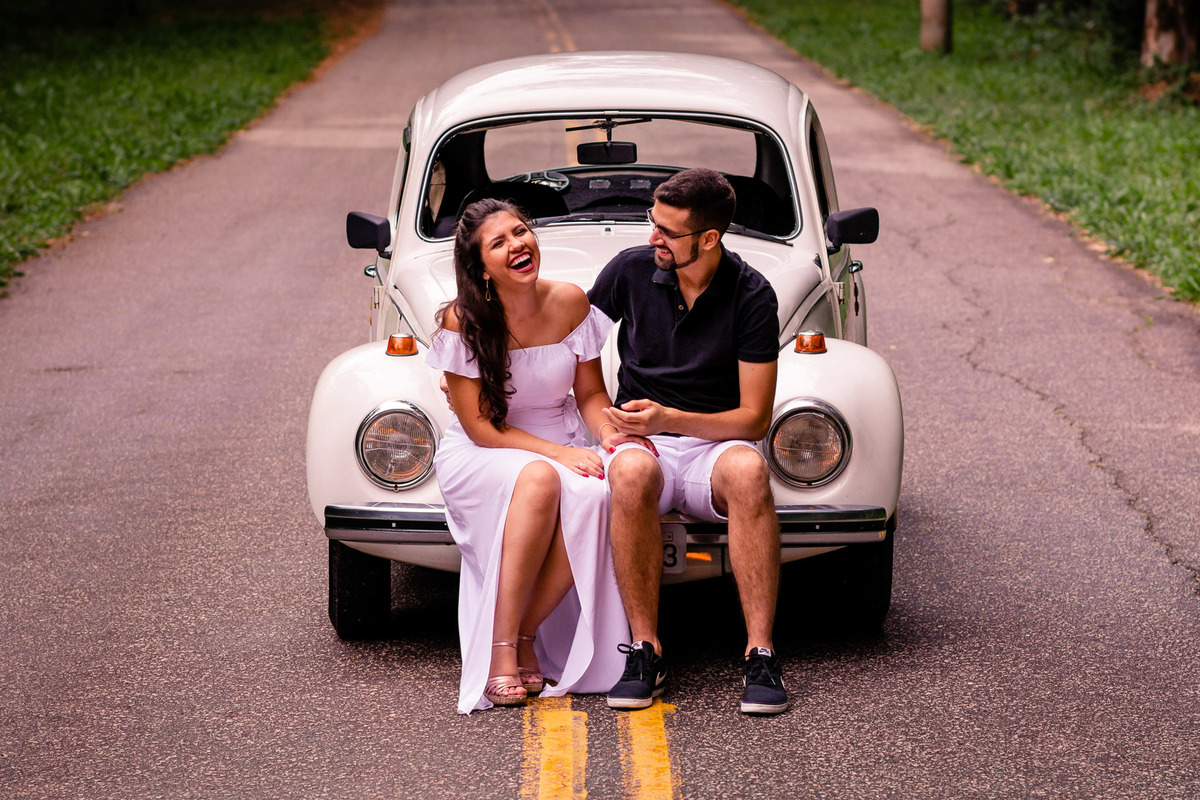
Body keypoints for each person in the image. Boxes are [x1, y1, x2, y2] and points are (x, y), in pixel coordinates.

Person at [427, 198, 648, 713]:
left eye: (521, 231)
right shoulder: (463, 321)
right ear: (482, 267)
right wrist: (558, 454)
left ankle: (527, 634)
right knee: (540, 479)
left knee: (598, 495)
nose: (517, 245)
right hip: (488, 448)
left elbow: (591, 395)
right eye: (499, 242)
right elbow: (480, 427)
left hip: (563, 434)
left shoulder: (570, 301)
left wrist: (609, 434)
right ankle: (501, 649)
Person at [587, 168, 788, 715]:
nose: (652, 237)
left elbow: (752, 419)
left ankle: (760, 652)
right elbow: (568, 345)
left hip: (711, 446)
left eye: (667, 232)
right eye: (653, 223)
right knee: (628, 474)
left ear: (708, 239)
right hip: (641, 441)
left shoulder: (752, 294)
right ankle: (646, 649)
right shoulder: (630, 270)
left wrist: (670, 417)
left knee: (750, 473)